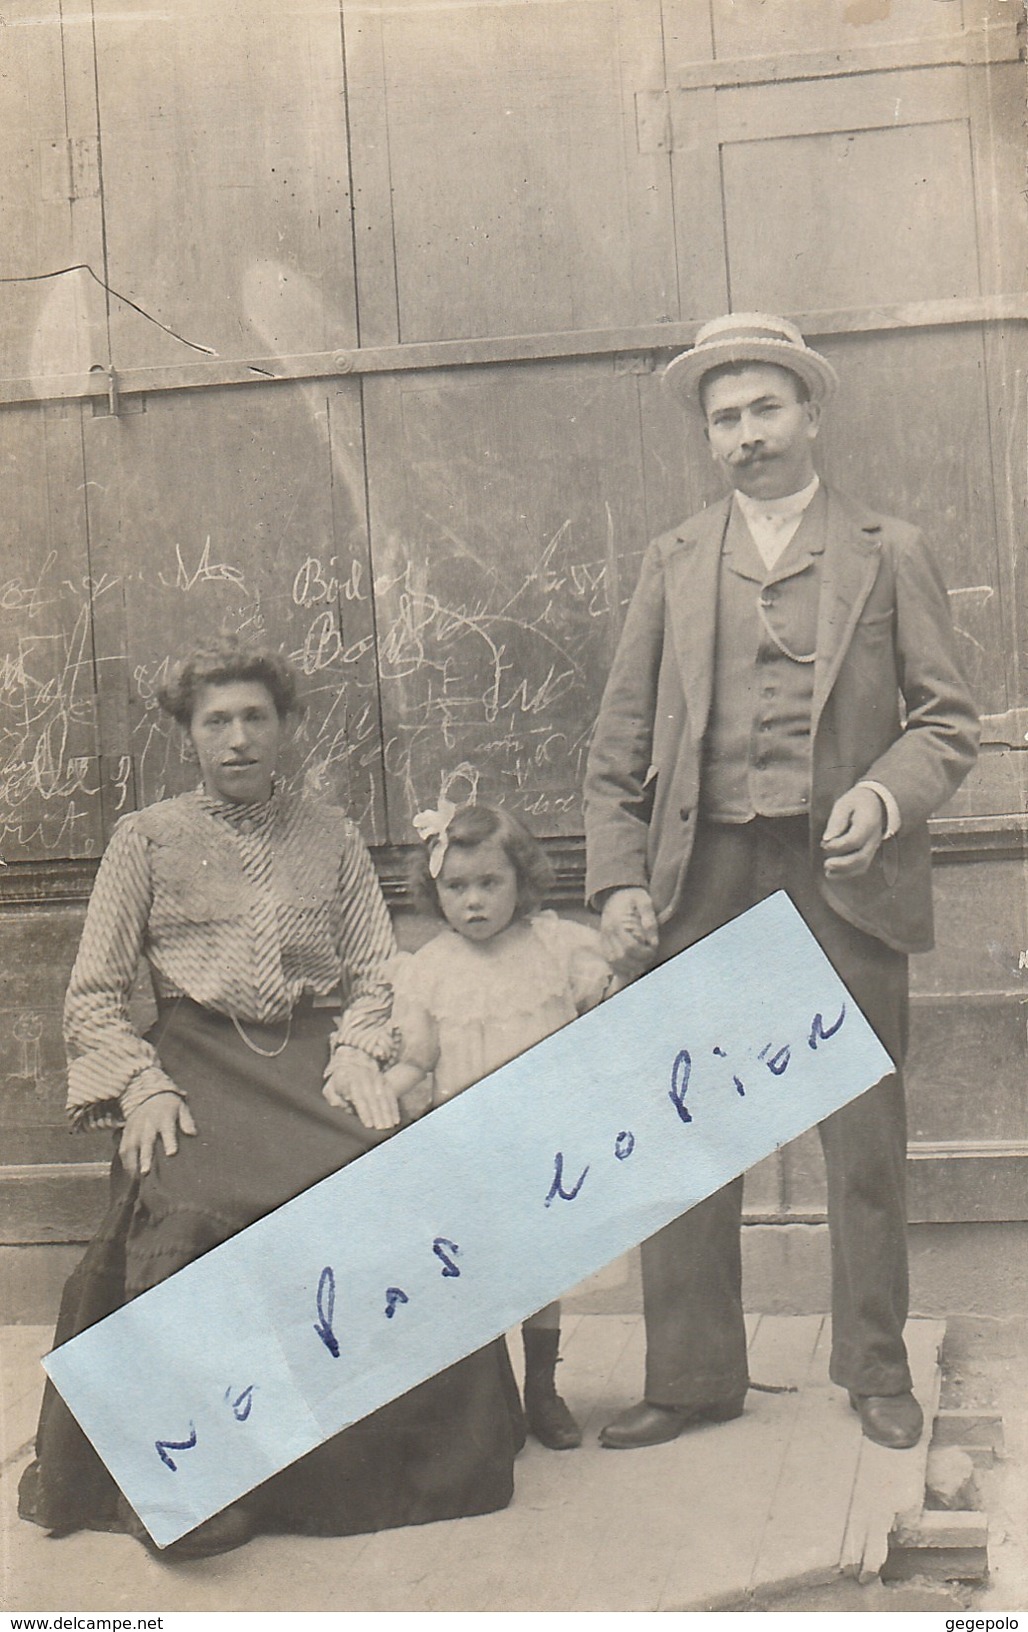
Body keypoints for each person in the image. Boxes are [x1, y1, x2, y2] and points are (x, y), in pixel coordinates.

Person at [19, 639, 523, 1558]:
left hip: (311, 1058)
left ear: (286, 728)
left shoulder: (327, 833)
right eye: (218, 722)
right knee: (196, 1205)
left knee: (389, 1183)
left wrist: (362, 1049)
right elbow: (93, 993)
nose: (240, 739)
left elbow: (375, 969)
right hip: (191, 1066)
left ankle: (399, 1468)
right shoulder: (145, 838)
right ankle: (190, 1484)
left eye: (257, 718)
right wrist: (139, 1085)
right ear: (188, 735)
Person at [583, 312, 980, 1452]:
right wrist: (617, 881)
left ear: (810, 413)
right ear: (706, 439)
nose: (745, 435)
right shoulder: (671, 560)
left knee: (858, 1129)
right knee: (684, 1124)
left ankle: (870, 1366)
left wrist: (885, 795)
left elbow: (946, 722)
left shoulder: (886, 548)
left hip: (840, 877)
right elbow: (613, 749)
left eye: (763, 409)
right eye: (724, 419)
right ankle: (695, 1375)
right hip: (699, 875)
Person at [345, 800, 614, 1451]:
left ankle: (543, 1390)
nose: (473, 902)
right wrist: (379, 1090)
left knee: (543, 1270)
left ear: (520, 878)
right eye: (456, 887)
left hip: (544, 1142)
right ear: (434, 891)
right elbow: (418, 1060)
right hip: (470, 1150)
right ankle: (491, 1395)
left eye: (489, 883)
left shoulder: (556, 947)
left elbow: (601, 1009)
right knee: (482, 1271)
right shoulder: (429, 970)